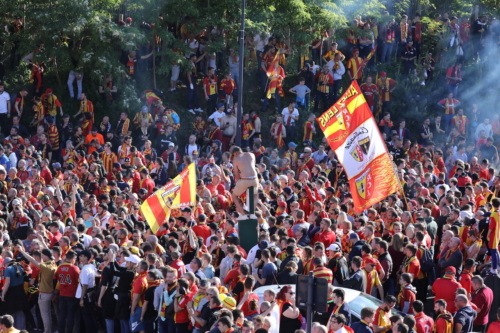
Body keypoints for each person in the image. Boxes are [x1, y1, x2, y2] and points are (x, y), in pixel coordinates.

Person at [230, 146, 259, 216]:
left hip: (245, 181)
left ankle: (243, 213)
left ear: (235, 153)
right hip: (255, 179)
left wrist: (238, 182)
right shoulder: (252, 154)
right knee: (256, 194)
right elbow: (253, 166)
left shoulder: (236, 159)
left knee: (234, 196)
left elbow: (237, 175)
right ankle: (252, 212)